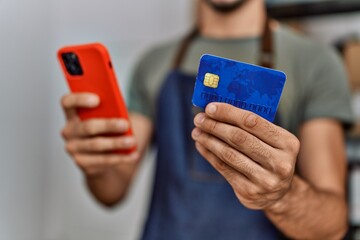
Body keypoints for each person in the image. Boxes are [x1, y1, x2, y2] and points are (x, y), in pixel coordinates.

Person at [60, 0, 354, 239]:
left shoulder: (315, 62)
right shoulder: (154, 63)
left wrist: (281, 196)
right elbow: (112, 191)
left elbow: (332, 226)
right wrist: (94, 164)